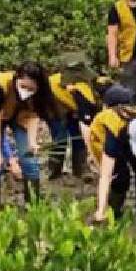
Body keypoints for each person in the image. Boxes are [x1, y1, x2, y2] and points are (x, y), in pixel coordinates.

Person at [0, 62, 56, 209]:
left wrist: (32, 141)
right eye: (23, 86)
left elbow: (33, 116)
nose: (26, 91)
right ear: (16, 78)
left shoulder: (40, 94)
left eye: (31, 88)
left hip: (20, 116)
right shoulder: (0, 88)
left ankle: (33, 206)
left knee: (29, 160)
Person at [88, 85, 136, 221]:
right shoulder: (112, 130)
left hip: (133, 139)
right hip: (113, 140)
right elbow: (105, 176)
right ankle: (113, 210)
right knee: (120, 176)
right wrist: (100, 210)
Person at [46, 52, 105, 180]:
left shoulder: (93, 87)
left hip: (76, 107)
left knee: (78, 137)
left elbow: (90, 124)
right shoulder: (53, 83)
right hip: (55, 106)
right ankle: (54, 169)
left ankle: (81, 168)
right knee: (60, 137)